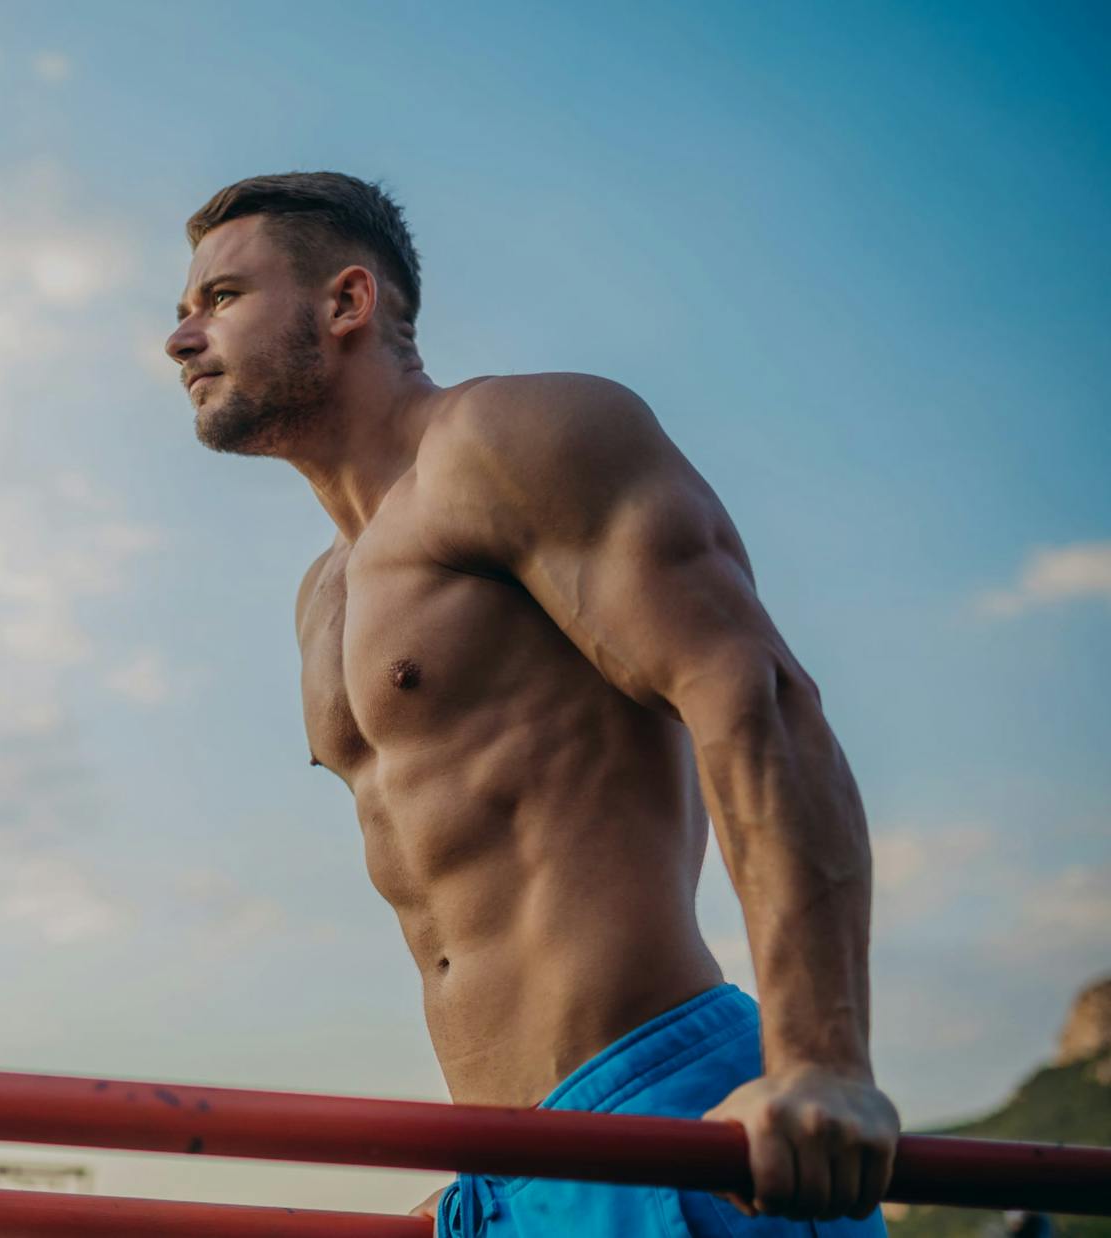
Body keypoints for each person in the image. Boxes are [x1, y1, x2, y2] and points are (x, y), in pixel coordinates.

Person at [166, 172, 900, 1235]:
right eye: (182, 313)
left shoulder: (505, 438)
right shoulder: (322, 595)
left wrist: (822, 1060)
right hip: (506, 1166)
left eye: (220, 297)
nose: (182, 338)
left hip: (666, 1110)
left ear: (347, 302)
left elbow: (757, 698)